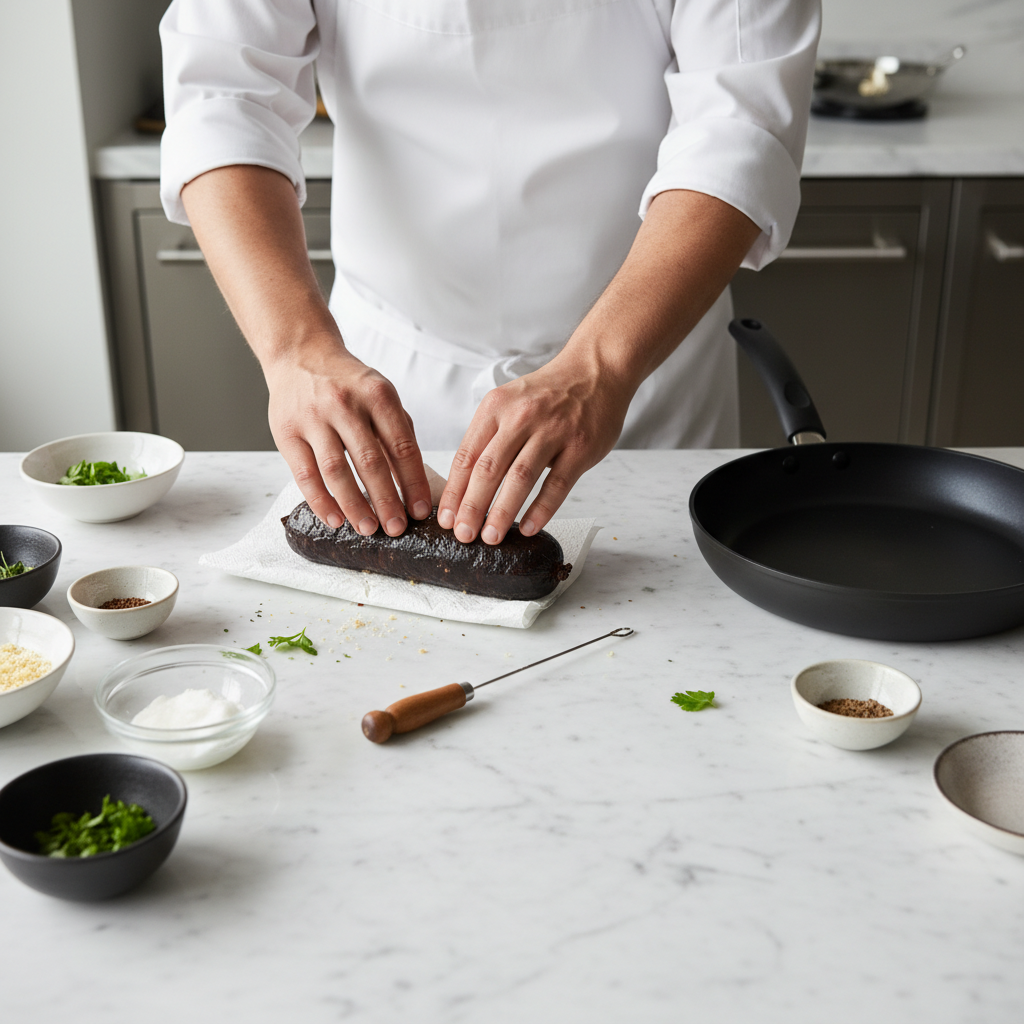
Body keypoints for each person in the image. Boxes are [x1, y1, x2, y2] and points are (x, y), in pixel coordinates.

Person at [160, 0, 820, 546]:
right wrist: (295, 349)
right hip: (387, 383)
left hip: (642, 374)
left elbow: (739, 130)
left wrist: (601, 367)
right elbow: (224, 99)